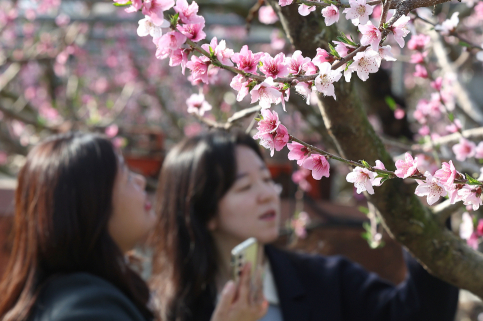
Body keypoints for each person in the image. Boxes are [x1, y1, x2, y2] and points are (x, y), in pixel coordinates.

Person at [152, 129, 459, 321]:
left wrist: (428, 229)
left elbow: (418, 314)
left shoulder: (325, 282)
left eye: (267, 180)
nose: (267, 196)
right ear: (204, 211)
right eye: (245, 188)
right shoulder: (172, 309)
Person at [0, 132, 264, 321]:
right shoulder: (85, 305)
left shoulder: (72, 293)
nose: (139, 180)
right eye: (125, 175)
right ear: (93, 202)